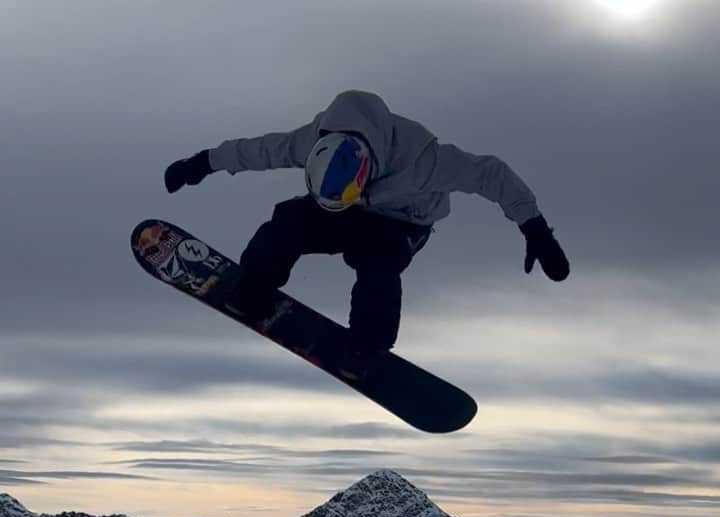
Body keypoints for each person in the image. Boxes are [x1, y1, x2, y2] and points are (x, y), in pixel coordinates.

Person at [164, 90, 569, 353]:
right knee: (287, 222)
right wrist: (201, 164)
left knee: (379, 257)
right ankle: (254, 286)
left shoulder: (425, 162)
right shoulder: (312, 140)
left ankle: (368, 344)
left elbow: (492, 174)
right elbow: (258, 151)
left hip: (402, 222)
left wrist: (534, 228)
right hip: (345, 209)